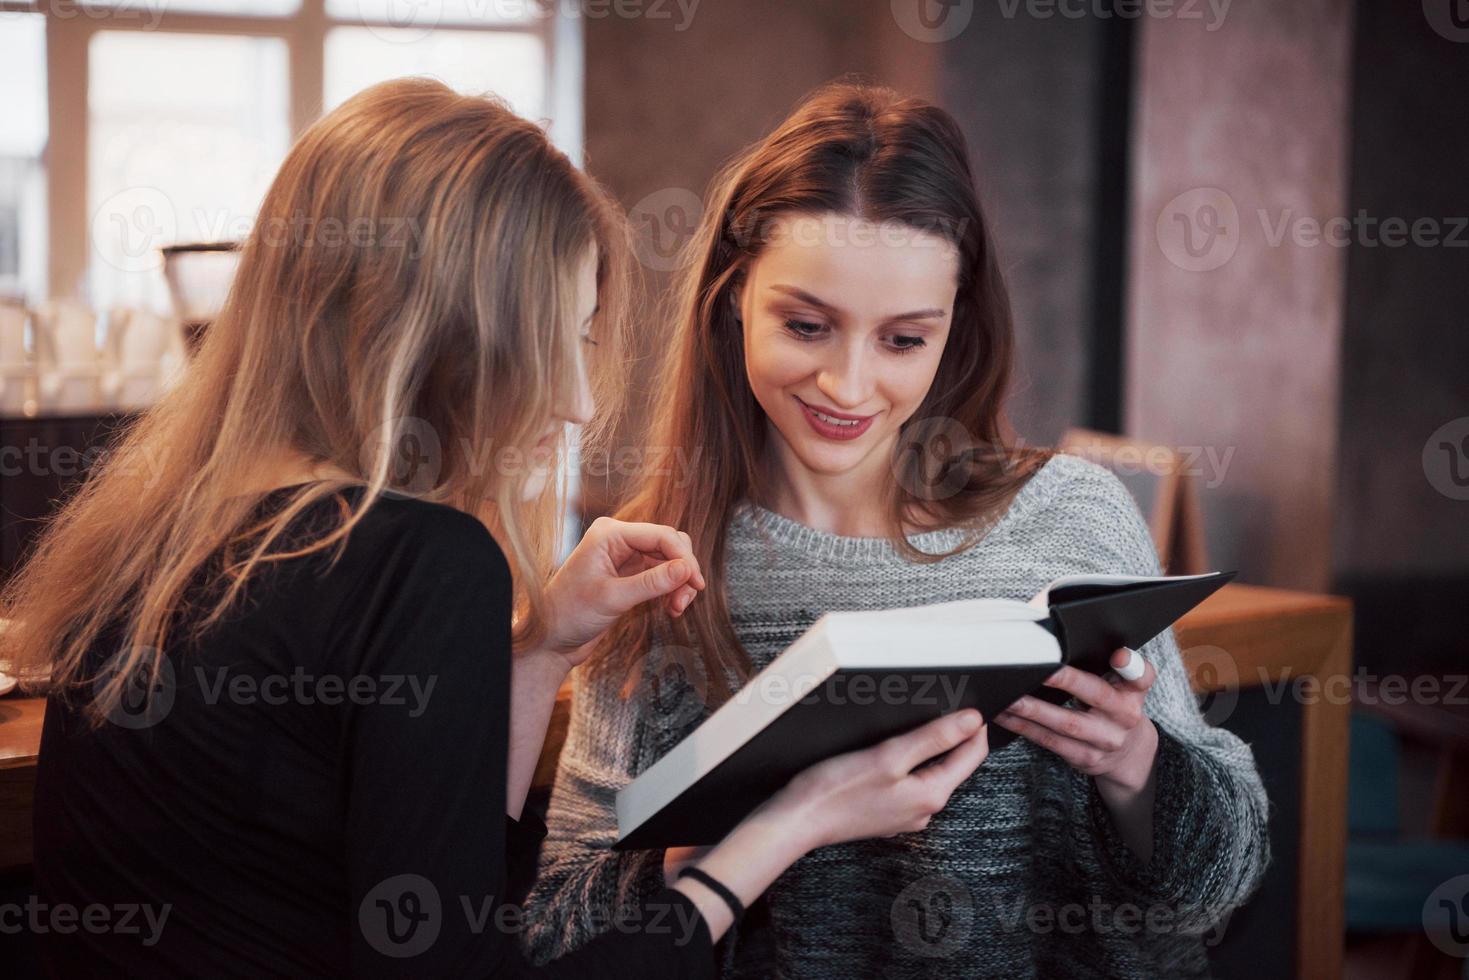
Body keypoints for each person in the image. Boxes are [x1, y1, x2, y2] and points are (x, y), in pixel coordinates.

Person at [1, 78, 993, 977]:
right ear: (425, 337)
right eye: (552, 338)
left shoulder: (165, 529)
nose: (569, 397)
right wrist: (783, 828)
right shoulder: (417, 560)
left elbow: (434, 900)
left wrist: (540, 647)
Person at [523, 81, 1271, 978]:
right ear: (732, 297)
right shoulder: (656, 564)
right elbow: (560, 933)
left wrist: (1136, 762)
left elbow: (1217, 885)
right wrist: (728, 843)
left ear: (956, 329)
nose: (846, 385)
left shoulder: (1072, 513)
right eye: (806, 325)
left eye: (903, 340)